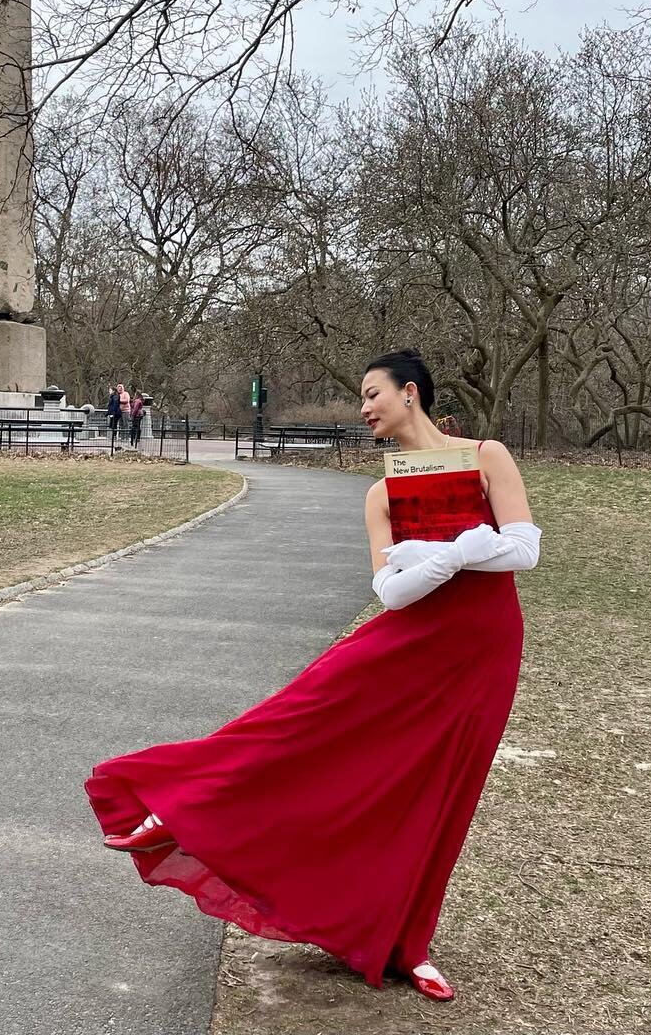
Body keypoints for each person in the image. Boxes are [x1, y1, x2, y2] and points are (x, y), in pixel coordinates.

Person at [85, 348, 541, 1003]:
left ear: (409, 393)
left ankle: (407, 945)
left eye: (371, 394)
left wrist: (455, 548)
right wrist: (444, 560)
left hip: (482, 651)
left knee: (441, 792)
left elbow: (524, 550)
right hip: (405, 645)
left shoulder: (486, 456)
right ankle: (184, 807)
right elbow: (393, 592)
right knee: (300, 726)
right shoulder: (385, 491)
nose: (363, 408)